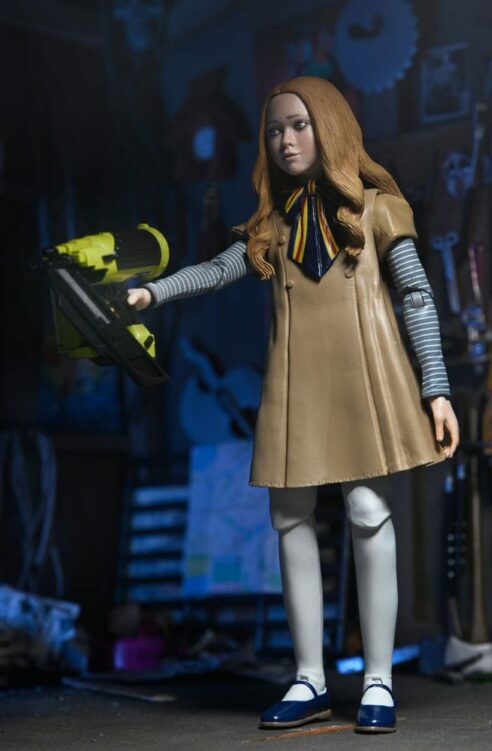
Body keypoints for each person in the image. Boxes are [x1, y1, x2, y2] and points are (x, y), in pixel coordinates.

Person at [128, 76, 459, 734]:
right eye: (275, 129)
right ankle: (309, 676)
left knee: (369, 513)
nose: (286, 140)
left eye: (300, 125)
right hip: (294, 382)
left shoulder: (379, 209)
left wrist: (437, 385)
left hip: (367, 376)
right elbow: (218, 270)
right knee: (289, 517)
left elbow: (418, 295)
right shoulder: (272, 226)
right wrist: (153, 293)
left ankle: (377, 679)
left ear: (330, 127)